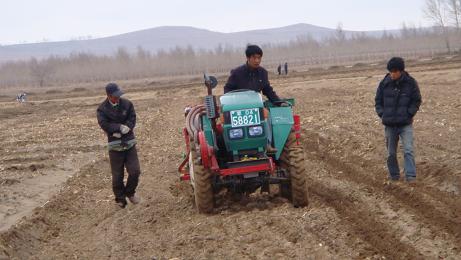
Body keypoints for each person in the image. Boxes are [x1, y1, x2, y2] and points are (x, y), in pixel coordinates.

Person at [375, 57, 422, 182]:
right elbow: (378, 102)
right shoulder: (384, 83)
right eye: (390, 71)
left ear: (401, 71)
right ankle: (394, 176)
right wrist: (383, 114)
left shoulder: (411, 83)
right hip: (389, 125)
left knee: (408, 150)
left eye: (395, 71)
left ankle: (411, 176)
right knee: (391, 153)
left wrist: (409, 114)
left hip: (405, 124)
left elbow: (416, 100)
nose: (392, 74)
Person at [97, 83, 141, 208]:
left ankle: (130, 193)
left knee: (135, 171)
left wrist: (127, 126)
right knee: (117, 176)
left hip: (129, 143)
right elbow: (104, 124)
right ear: (108, 95)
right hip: (115, 146)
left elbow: (132, 118)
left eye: (119, 95)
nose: (118, 98)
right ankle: (120, 199)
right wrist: (118, 128)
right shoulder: (102, 109)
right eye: (115, 96)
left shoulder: (127, 104)